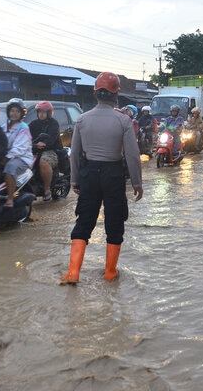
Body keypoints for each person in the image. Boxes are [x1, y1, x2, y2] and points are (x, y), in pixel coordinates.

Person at [60, 71, 143, 285]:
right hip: (113, 174)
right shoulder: (123, 120)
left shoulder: (82, 119)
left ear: (96, 93)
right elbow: (133, 155)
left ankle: (73, 272)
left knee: (84, 222)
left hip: (89, 175)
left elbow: (75, 154)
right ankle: (109, 273)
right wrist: (137, 182)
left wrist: (74, 181)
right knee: (114, 223)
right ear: (116, 95)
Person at [2, 98, 33, 208]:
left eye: (17, 111)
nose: (14, 114)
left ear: (21, 114)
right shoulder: (4, 127)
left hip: (22, 159)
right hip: (7, 156)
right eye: (12, 111)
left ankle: (10, 198)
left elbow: (19, 148)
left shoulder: (23, 127)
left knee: (10, 167)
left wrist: (6, 158)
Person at [28, 101, 62, 201]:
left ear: (49, 113)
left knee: (43, 163)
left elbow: (52, 138)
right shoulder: (34, 124)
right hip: (35, 149)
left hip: (50, 150)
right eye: (39, 112)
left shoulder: (53, 123)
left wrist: (44, 143)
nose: (41, 114)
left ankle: (47, 189)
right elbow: (26, 136)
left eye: (43, 112)